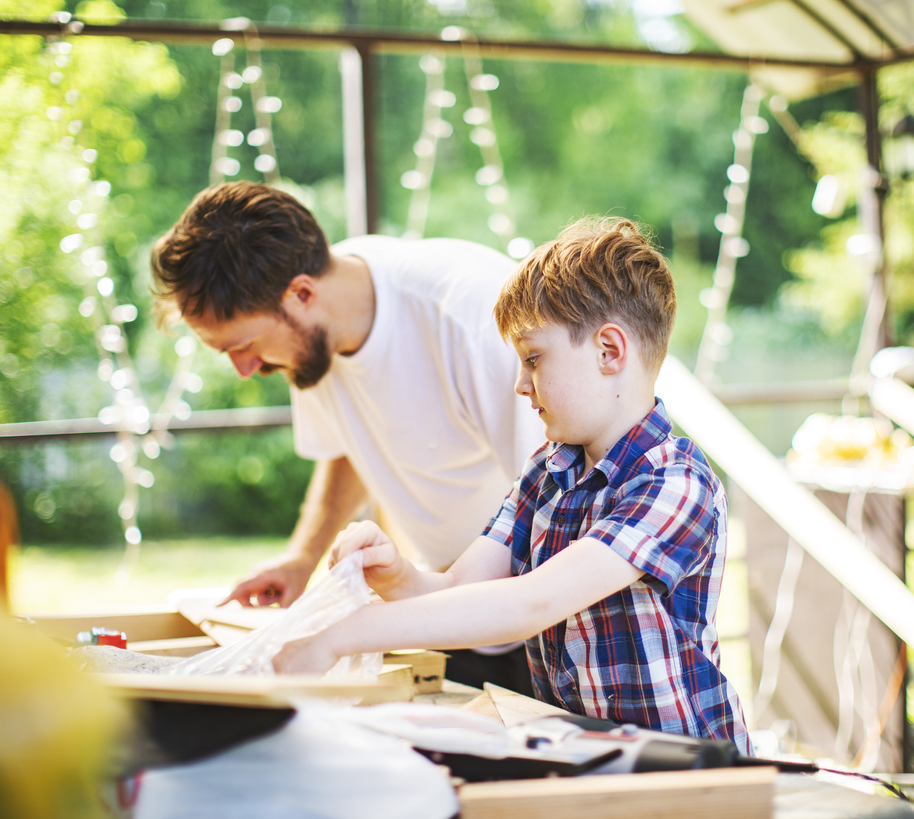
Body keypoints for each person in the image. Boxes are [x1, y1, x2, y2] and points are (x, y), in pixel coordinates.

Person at [272, 217, 750, 751]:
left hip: (688, 769)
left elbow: (530, 604)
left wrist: (343, 635)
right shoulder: (545, 472)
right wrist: (396, 575)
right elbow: (461, 591)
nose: (521, 384)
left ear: (609, 351)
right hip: (589, 757)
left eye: (534, 359)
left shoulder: (675, 482)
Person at [149, 181, 545, 693]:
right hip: (447, 614)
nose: (245, 369)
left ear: (302, 293)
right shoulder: (312, 332)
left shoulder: (469, 312)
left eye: (244, 345)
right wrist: (301, 559)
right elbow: (350, 447)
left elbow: (554, 499)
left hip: (543, 623)